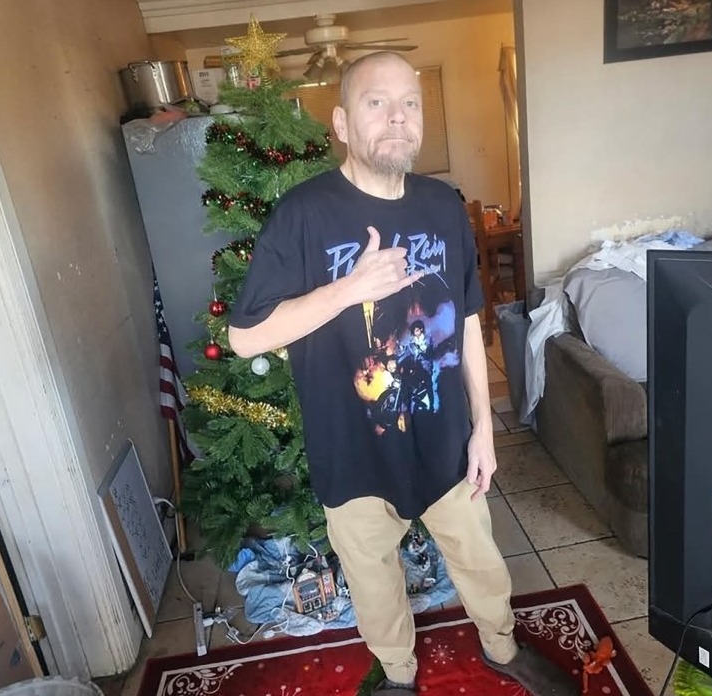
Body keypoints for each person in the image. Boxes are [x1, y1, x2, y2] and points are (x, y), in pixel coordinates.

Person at [229, 51, 576, 696]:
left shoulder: (443, 206)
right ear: (340, 121)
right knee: (372, 577)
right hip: (351, 447)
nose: (397, 118)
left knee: (480, 558)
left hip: (445, 439)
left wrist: (483, 426)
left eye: (409, 103)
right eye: (376, 103)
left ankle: (502, 649)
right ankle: (396, 673)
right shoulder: (303, 216)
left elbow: (470, 319)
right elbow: (245, 333)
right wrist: (348, 289)